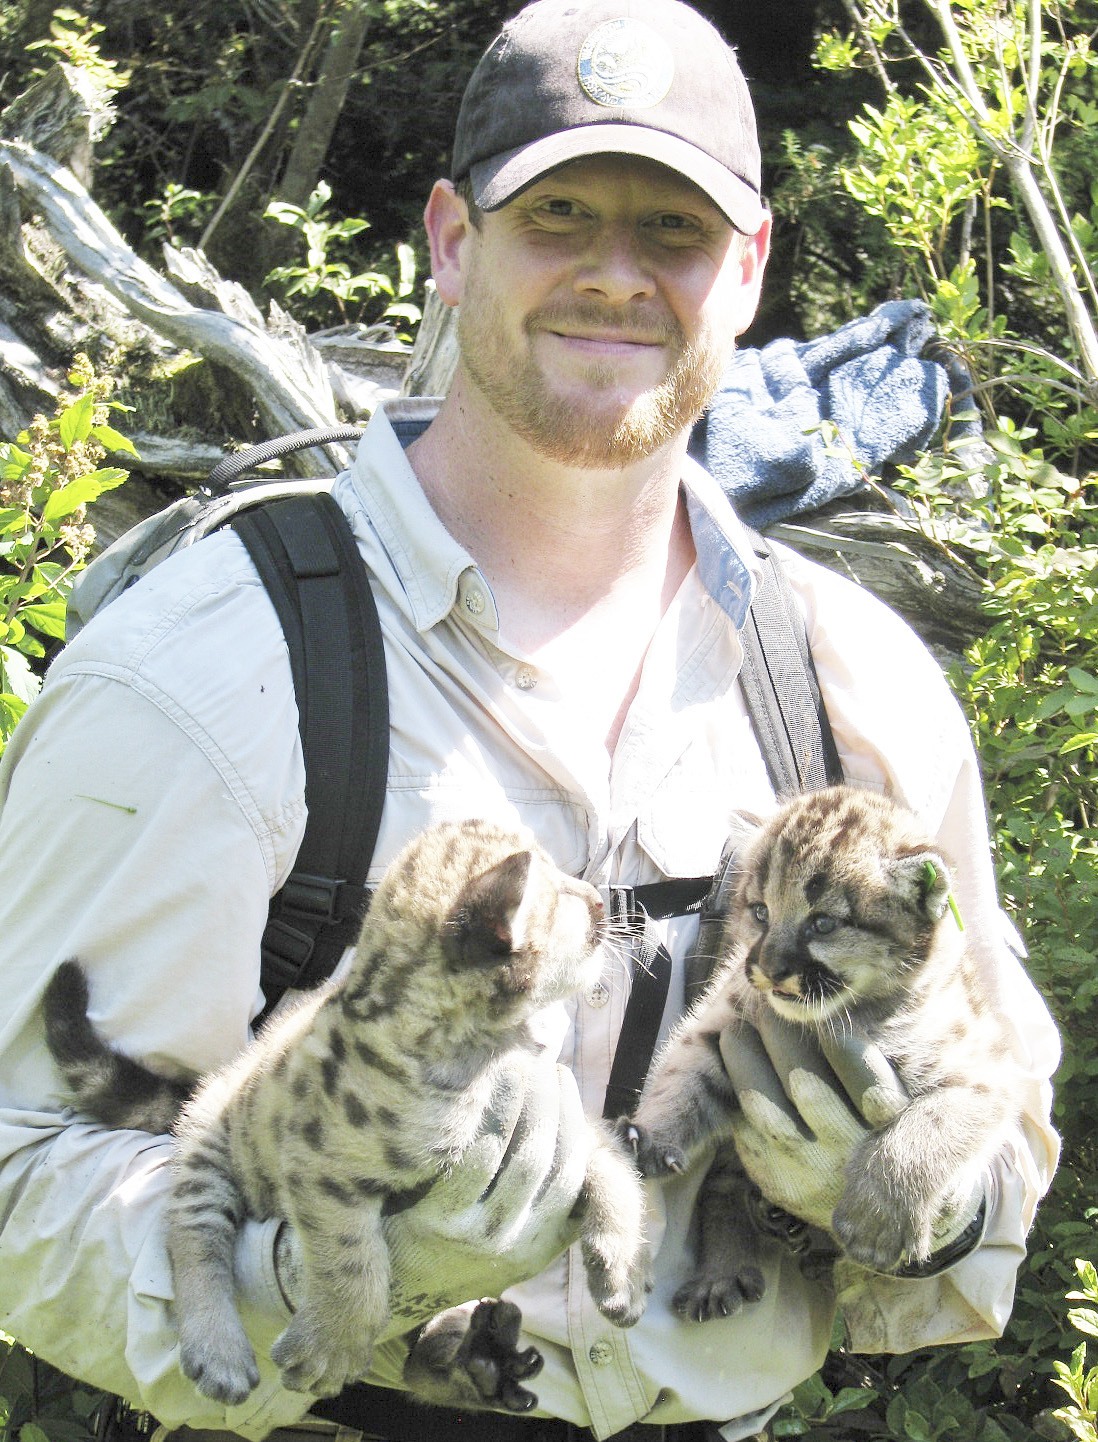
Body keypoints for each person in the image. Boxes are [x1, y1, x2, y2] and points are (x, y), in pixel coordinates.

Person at [0, 1, 1060, 1441]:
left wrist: (894, 1197)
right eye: (556, 215)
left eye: (672, 234)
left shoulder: (850, 680)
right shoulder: (198, 672)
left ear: (745, 272)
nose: (615, 275)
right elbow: (23, 1165)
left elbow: (1004, 1113)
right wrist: (325, 1271)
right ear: (450, 240)